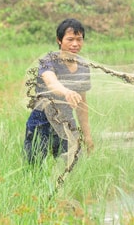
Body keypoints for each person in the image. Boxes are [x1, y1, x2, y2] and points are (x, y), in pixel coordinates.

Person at [24, 18, 93, 165]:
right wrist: (66, 92)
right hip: (41, 119)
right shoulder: (48, 60)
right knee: (34, 166)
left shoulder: (83, 66)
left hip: (66, 121)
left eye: (79, 39)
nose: (75, 44)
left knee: (70, 165)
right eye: (70, 39)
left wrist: (87, 136)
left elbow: (82, 105)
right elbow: (50, 81)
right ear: (59, 40)